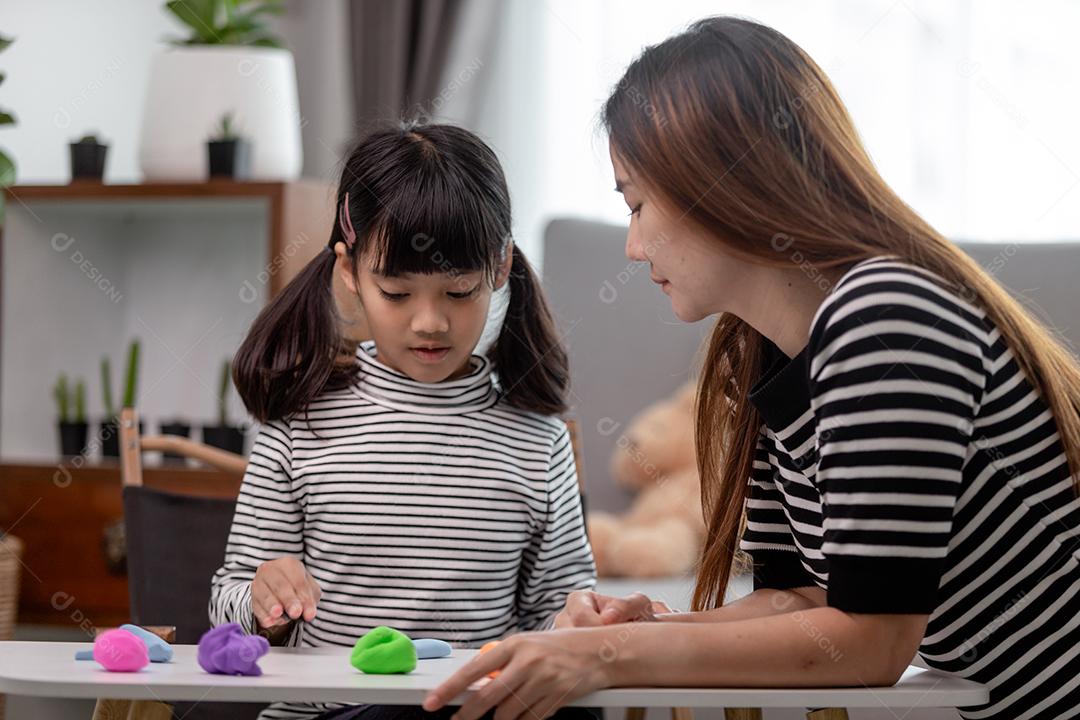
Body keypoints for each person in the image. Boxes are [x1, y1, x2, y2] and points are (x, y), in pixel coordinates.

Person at [425, 17, 1080, 720]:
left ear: (719, 183)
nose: (634, 247)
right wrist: (645, 631)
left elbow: (873, 641)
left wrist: (601, 656)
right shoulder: (766, 352)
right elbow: (804, 602)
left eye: (637, 203)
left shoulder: (887, 317)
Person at [209, 122, 597, 720]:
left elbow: (556, 611)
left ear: (499, 268)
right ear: (349, 272)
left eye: (459, 291)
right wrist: (262, 598)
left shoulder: (537, 440)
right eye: (396, 293)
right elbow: (227, 602)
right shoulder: (298, 424)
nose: (429, 323)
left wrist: (579, 621)